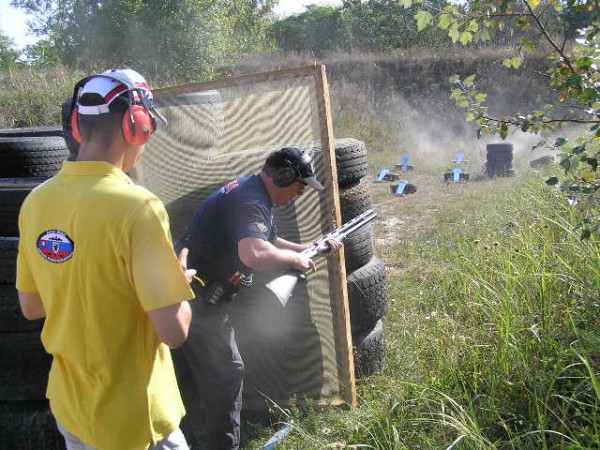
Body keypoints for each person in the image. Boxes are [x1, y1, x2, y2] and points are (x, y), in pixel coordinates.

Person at [16, 68, 197, 450]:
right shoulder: (138, 208)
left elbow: (32, 305)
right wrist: (175, 283)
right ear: (138, 126)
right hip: (134, 420)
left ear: (79, 128)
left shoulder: (36, 202)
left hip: (74, 409)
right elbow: (174, 332)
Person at [173, 147, 342, 450]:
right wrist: (293, 260)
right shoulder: (251, 200)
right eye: (300, 185)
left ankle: (186, 438)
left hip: (192, 296)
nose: (300, 193)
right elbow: (253, 253)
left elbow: (270, 241)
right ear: (283, 176)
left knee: (185, 373)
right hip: (201, 300)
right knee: (227, 373)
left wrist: (309, 248)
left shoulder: (253, 192)